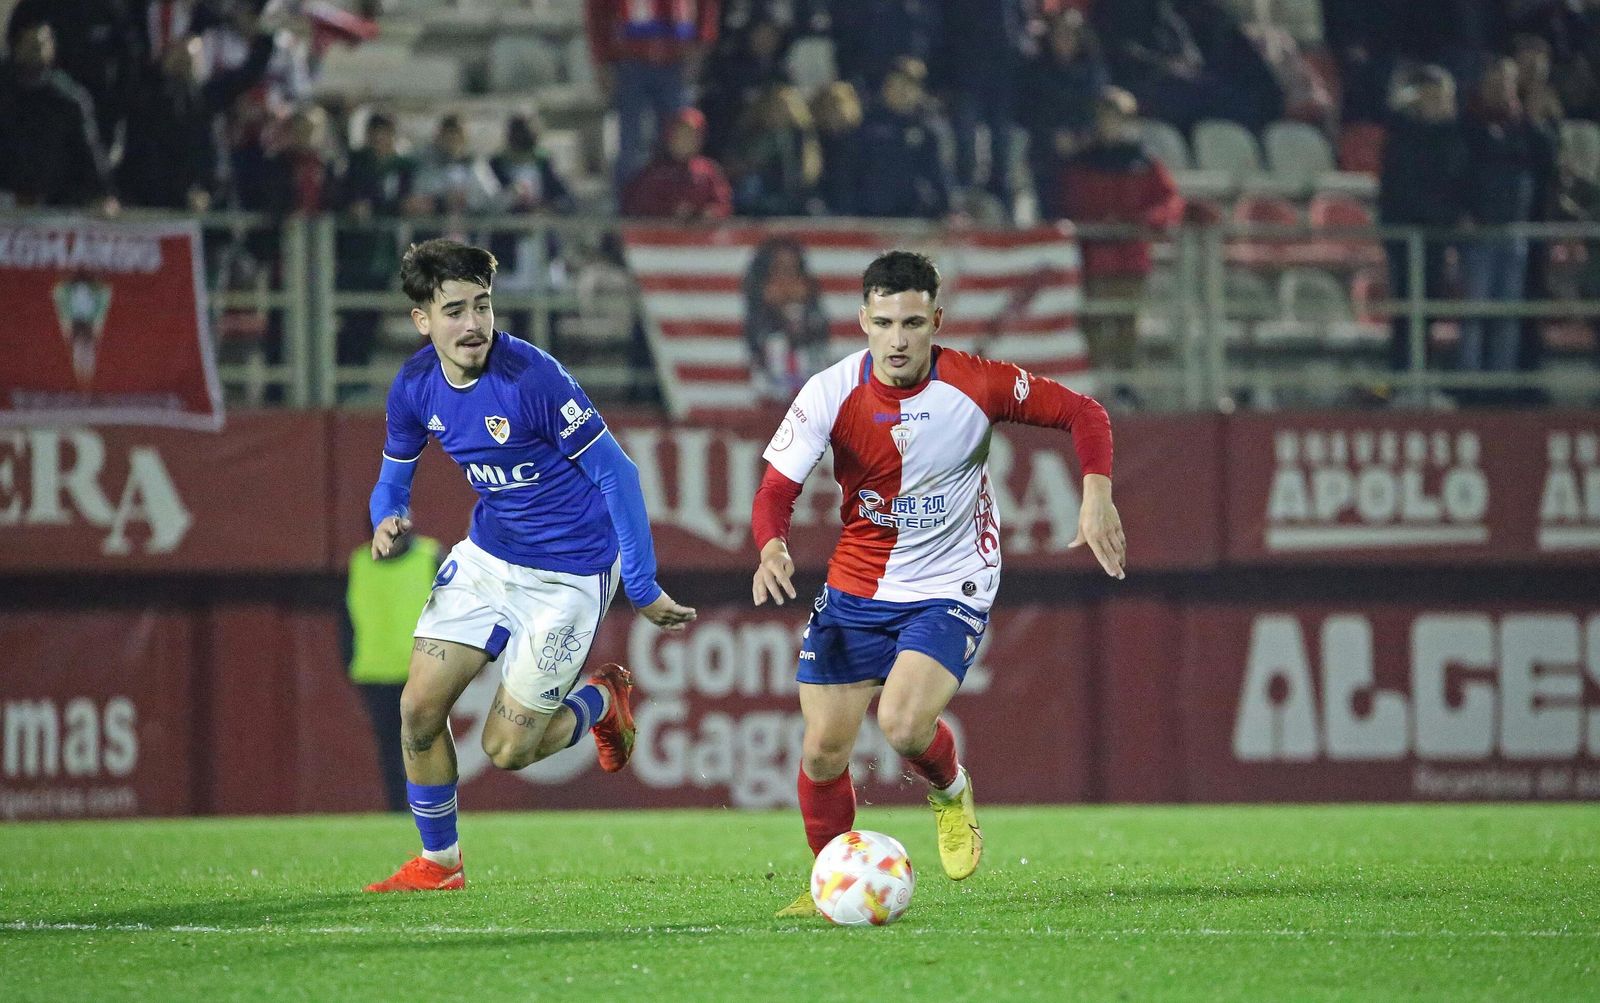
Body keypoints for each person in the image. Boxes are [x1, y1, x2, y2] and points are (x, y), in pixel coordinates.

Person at [749, 250, 1125, 917]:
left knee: (901, 722)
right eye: (886, 321)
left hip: (953, 578)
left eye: (914, 322)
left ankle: (951, 790)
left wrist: (1096, 493)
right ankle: (832, 880)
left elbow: (1085, 412)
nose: (898, 338)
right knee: (822, 748)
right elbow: (776, 487)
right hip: (858, 584)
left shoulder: (977, 383)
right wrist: (771, 544)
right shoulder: (829, 392)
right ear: (863, 319)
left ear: (936, 321)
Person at [364, 239, 697, 892]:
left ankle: (603, 698)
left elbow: (619, 475)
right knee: (418, 711)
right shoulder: (415, 385)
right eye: (454, 309)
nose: (472, 324)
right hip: (488, 559)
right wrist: (387, 515)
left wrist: (643, 583)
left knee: (507, 750)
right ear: (421, 319)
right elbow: (392, 476)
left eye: (482, 306)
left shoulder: (532, 377)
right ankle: (440, 863)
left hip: (569, 577)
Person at [1057, 86, 1184, 380]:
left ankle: (1125, 386)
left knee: (1128, 326)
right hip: (1092, 260)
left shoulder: (1144, 163)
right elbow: (1071, 204)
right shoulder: (1082, 163)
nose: (1111, 125)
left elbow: (1169, 201)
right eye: (1105, 118)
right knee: (1093, 327)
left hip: (1130, 260)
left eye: (1118, 119)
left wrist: (1143, 221)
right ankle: (1096, 387)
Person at [342, 530, 443, 813]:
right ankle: (400, 810)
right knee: (391, 746)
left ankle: (433, 810)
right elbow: (346, 616)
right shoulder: (359, 562)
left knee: (424, 743)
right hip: (375, 671)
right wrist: (349, 657)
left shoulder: (429, 557)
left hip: (422, 670)